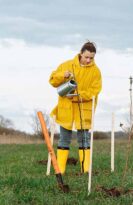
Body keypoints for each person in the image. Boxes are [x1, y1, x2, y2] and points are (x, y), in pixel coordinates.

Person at [49, 42, 102, 174]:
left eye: (91, 58)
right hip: (66, 108)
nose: (88, 60)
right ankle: (60, 170)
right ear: (81, 53)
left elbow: (94, 91)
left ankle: (85, 170)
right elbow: (52, 81)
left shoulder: (96, 71)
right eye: (86, 57)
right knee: (64, 138)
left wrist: (77, 96)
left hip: (84, 109)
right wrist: (63, 75)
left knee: (84, 138)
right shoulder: (66, 65)